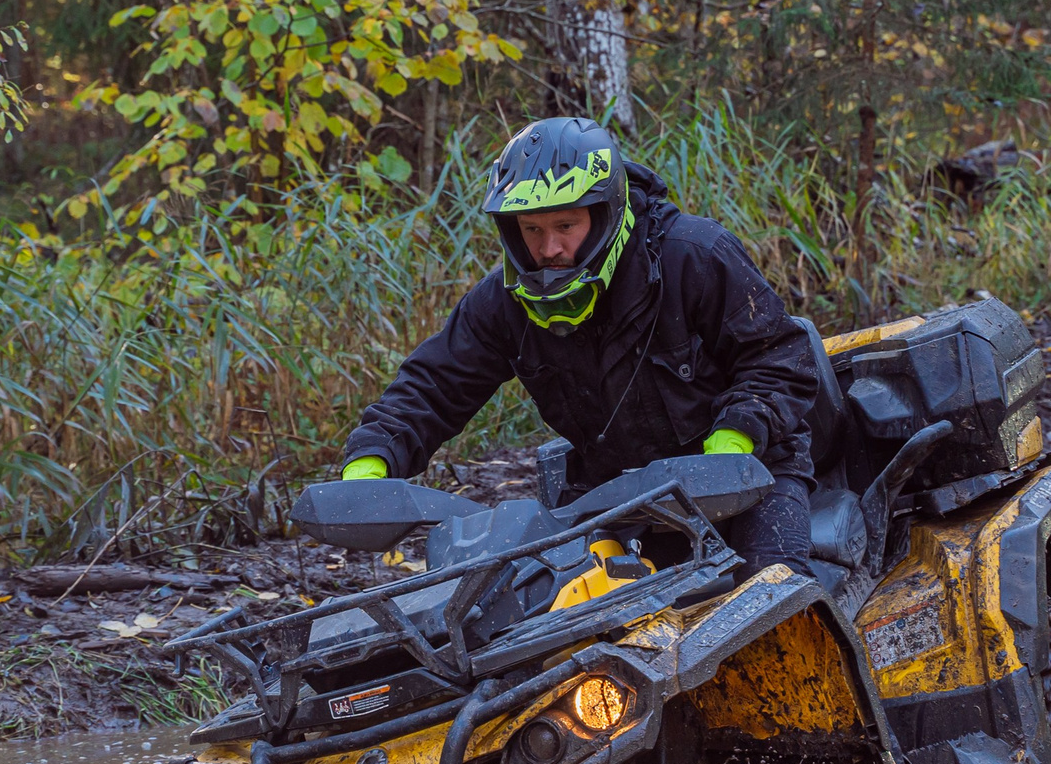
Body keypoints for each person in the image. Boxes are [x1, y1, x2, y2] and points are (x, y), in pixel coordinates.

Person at [338, 117, 821, 576]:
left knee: (771, 603)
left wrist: (734, 441)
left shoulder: (694, 256)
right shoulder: (503, 301)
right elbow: (434, 385)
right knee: (542, 626)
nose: (548, 249)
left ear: (605, 212)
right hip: (617, 497)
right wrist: (370, 462)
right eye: (532, 229)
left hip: (752, 478)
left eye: (565, 226)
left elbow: (778, 357)